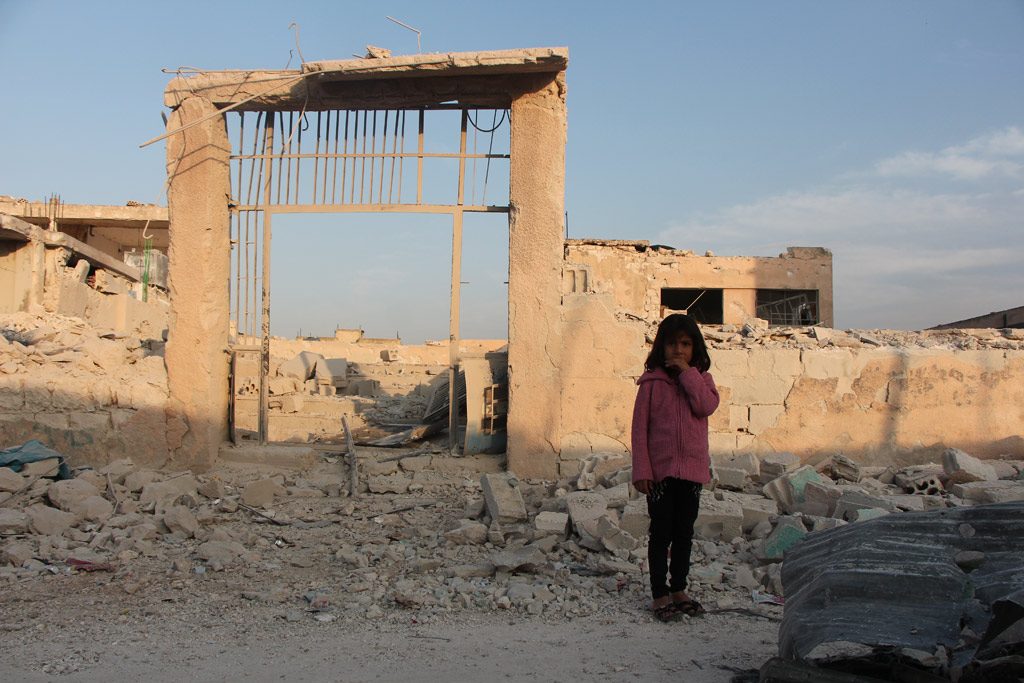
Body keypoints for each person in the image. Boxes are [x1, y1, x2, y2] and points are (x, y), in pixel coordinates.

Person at [631, 313, 720, 622]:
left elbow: (705, 406)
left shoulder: (702, 381)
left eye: (685, 344)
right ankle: (659, 594)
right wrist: (642, 470)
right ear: (661, 348)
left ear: (695, 348)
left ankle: (679, 588)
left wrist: (687, 375)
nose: (678, 351)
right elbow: (639, 430)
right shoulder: (651, 385)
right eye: (672, 344)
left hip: (692, 473)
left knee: (684, 533)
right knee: (660, 534)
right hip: (661, 476)